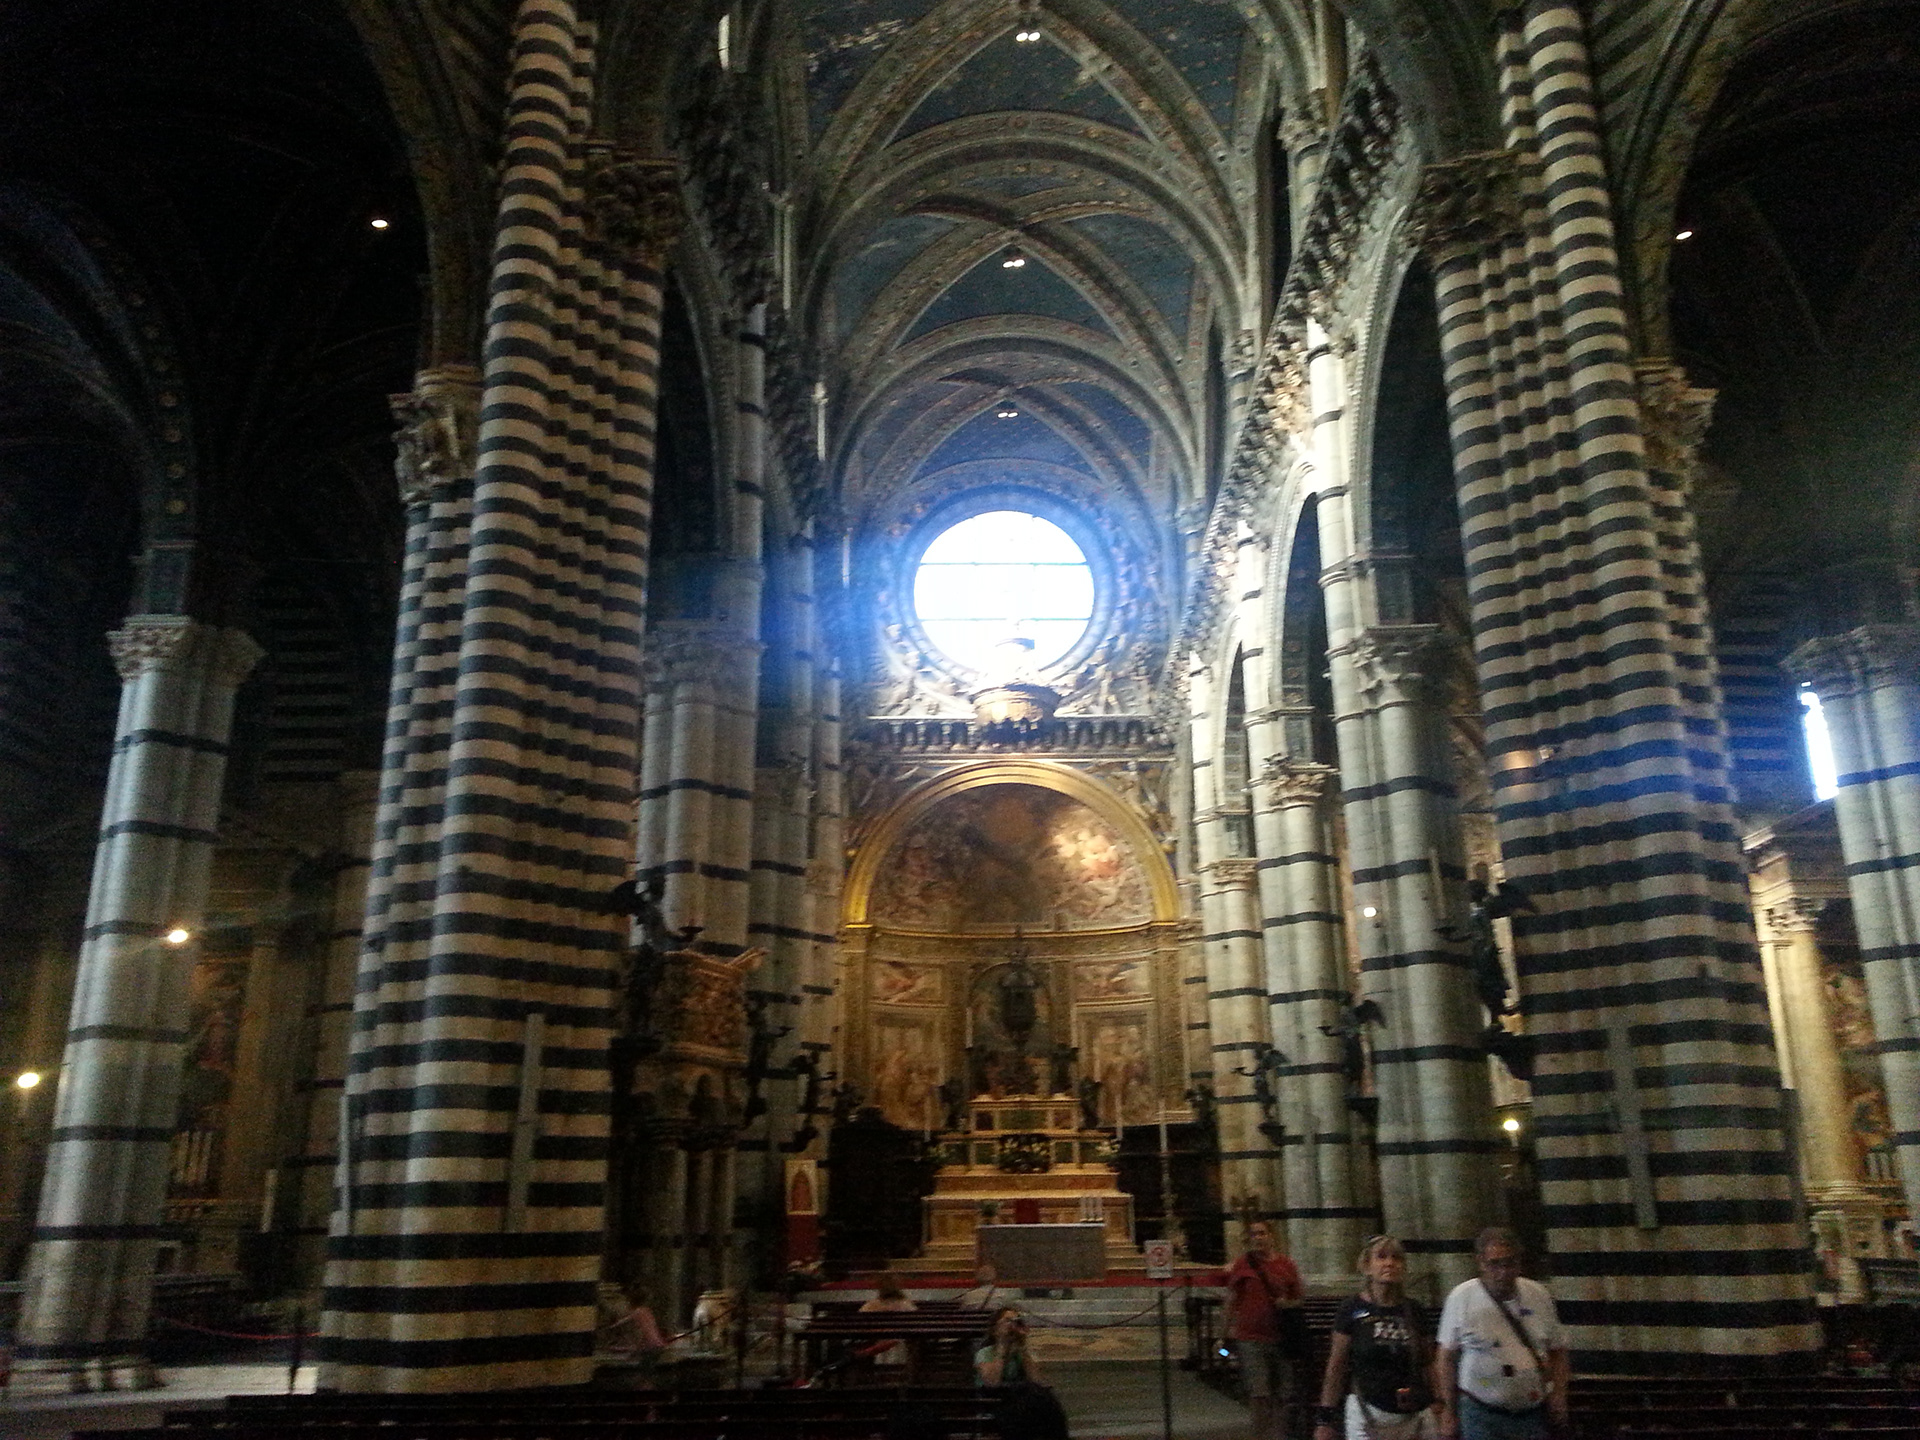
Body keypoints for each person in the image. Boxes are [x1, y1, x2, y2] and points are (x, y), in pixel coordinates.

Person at [1437, 1228, 1569, 1440]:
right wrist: (1448, 1411)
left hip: (1531, 1413)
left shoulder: (1538, 1295)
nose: (1503, 1272)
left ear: (1519, 1262)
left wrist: (1559, 1394)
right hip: (1481, 1412)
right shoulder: (1462, 1298)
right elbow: (1445, 1358)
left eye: (1510, 1263)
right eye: (1494, 1264)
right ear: (1480, 1262)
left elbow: (1558, 1351)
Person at [1314, 1234, 1442, 1440]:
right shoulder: (1352, 1308)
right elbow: (1336, 1365)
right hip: (1367, 1411)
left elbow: (1429, 1362)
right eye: (1381, 1257)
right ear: (1367, 1266)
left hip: (1413, 1413)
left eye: (1396, 1258)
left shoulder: (1413, 1309)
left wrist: (1440, 1402)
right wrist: (1325, 1417)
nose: (1389, 1263)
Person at [1226, 1219, 1307, 1440]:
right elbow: (1233, 1297)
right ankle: (1260, 1436)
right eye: (1253, 1234)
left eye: (1262, 1233)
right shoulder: (1243, 1264)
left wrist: (1286, 1303)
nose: (1258, 1238)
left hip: (1281, 1336)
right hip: (1250, 1337)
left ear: (1272, 1236)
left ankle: (1279, 1435)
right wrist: (1225, 1332)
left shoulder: (1286, 1265)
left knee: (1284, 1392)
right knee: (1259, 1393)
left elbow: (1298, 1299)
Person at [860, 1275, 917, 1367]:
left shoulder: (872, 1305)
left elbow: (861, 1319)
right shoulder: (905, 1304)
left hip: (878, 1341)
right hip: (901, 1341)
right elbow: (914, 1321)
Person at [975, 1305, 1039, 1386]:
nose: (1012, 1325)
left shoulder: (1018, 1354)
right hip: (990, 1396)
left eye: (1016, 1321)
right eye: (1007, 1321)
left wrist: (1023, 1346)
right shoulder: (984, 1353)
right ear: (995, 1328)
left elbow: (1036, 1380)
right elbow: (992, 1383)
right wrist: (1002, 1345)